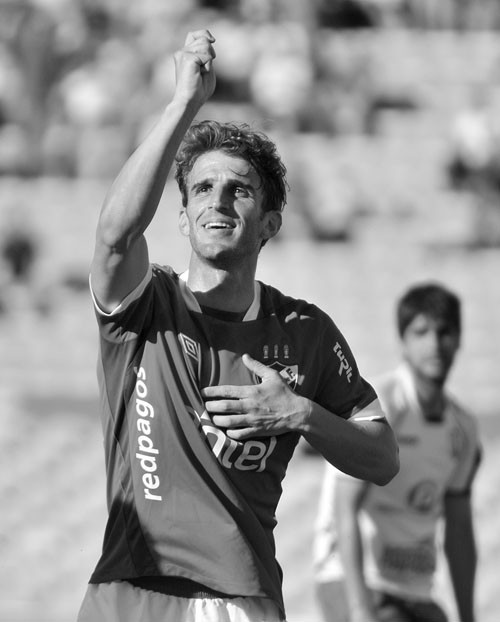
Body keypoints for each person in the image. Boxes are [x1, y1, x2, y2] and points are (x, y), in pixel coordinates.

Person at [78, 29, 399, 622]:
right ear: (182, 216)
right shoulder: (145, 307)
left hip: (239, 599)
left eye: (239, 191)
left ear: (270, 222)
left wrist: (301, 413)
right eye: (202, 188)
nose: (218, 201)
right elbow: (115, 235)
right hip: (129, 590)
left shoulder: (306, 331)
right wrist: (183, 104)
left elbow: (383, 458)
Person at [313, 282, 481, 622]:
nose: (434, 344)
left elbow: (460, 531)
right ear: (402, 341)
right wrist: (361, 611)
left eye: (445, 332)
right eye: (421, 332)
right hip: (353, 580)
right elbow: (344, 510)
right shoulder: (380, 406)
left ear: (459, 339)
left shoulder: (463, 429)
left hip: (416, 590)